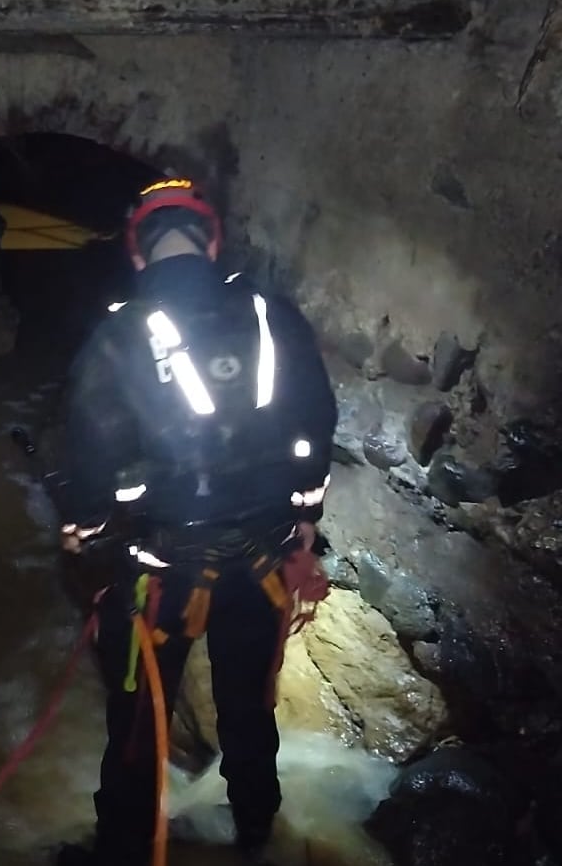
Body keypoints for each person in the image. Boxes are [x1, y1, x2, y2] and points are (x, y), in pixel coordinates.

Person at [55, 177, 339, 865]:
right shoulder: (274, 316)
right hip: (264, 560)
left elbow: (90, 451)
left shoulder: (121, 334)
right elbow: (317, 423)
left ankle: (125, 848)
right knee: (248, 710)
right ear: (212, 242)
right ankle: (255, 834)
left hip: (162, 573)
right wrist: (304, 523)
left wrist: (85, 532)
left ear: (139, 252)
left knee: (137, 721)